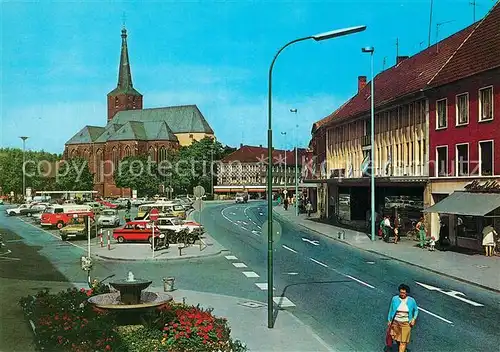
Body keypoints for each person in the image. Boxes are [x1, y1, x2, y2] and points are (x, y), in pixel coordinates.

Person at [387, 283, 419, 352]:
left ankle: (402, 349)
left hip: (406, 324)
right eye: (401, 292)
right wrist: (389, 320)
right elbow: (391, 309)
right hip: (395, 323)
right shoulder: (395, 299)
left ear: (407, 293)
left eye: (404, 293)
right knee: (395, 338)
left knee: (403, 342)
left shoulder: (411, 300)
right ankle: (402, 348)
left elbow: (416, 310)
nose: (402, 294)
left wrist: (413, 319)